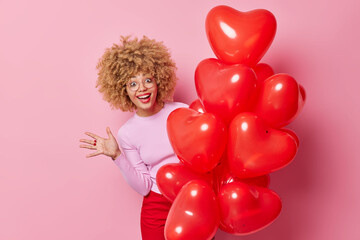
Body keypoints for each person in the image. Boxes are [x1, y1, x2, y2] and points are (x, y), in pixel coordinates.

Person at [79, 36, 188, 240]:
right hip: (157, 206)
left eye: (148, 80)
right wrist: (117, 156)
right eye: (133, 84)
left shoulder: (183, 111)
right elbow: (144, 187)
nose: (142, 89)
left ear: (158, 81)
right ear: (124, 91)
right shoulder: (127, 133)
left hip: (193, 198)